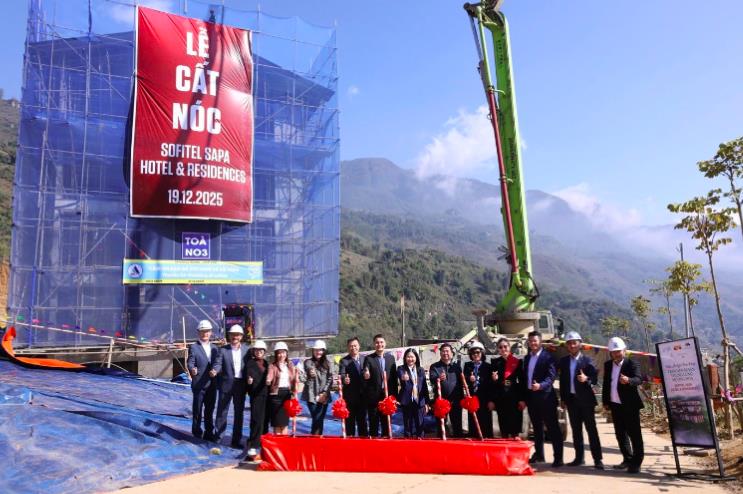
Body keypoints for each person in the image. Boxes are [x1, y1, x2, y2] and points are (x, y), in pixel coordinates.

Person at [558, 331, 604, 469]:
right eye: (569, 343)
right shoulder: (564, 361)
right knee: (576, 431)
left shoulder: (587, 360)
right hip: (571, 401)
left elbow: (594, 379)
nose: (572, 345)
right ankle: (579, 458)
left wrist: (586, 379)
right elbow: (563, 382)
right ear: (567, 346)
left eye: (574, 343)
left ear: (580, 344)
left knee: (591, 430)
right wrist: (563, 399)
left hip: (586, 401)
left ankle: (598, 460)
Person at [602, 336, 644, 474]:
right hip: (615, 405)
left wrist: (629, 380)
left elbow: (639, 379)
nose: (616, 354)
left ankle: (636, 462)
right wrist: (605, 401)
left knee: (634, 434)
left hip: (630, 405)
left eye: (618, 351)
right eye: (613, 352)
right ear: (610, 353)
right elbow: (606, 384)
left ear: (624, 350)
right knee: (620, 434)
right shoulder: (608, 365)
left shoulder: (632, 363)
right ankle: (627, 459)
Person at [523, 330, 564, 467]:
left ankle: (558, 457)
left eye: (535, 341)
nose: (533, 343)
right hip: (531, 398)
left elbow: (551, 377)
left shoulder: (548, 357)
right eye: (530, 341)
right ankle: (539, 455)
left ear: (540, 342)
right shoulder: (527, 358)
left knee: (552, 428)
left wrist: (540, 385)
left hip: (546, 398)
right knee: (536, 428)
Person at [214, 324, 249, 448]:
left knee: (239, 413)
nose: (235, 337)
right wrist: (215, 370)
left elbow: (250, 366)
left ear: (241, 336)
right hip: (226, 385)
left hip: (240, 385)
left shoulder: (247, 350)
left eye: (237, 335)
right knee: (222, 412)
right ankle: (218, 438)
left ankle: (236, 440)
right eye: (233, 335)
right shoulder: (223, 350)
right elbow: (218, 363)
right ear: (229, 336)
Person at [186, 319, 220, 441]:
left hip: (212, 384)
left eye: (207, 331)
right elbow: (190, 361)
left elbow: (218, 363)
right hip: (199, 384)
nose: (205, 333)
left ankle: (209, 432)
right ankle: (196, 432)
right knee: (198, 410)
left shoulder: (215, 348)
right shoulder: (194, 347)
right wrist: (192, 369)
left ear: (210, 332)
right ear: (198, 332)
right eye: (202, 331)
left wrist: (215, 370)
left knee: (210, 410)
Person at [362, 334, 398, 438]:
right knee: (373, 421)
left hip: (387, 397)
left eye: (381, 342)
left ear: (385, 343)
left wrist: (394, 396)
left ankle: (386, 440)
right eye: (377, 342)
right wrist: (366, 373)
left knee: (386, 421)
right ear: (374, 344)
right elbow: (365, 369)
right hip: (374, 397)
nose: (379, 344)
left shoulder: (390, 358)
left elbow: (394, 378)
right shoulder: (369, 358)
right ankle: (373, 440)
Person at [490, 337, 526, 438]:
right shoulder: (495, 362)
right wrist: (494, 379)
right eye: (500, 347)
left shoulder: (517, 362)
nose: (503, 349)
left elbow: (522, 382)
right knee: (504, 429)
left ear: (509, 347)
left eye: (505, 346)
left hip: (514, 398)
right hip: (501, 399)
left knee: (515, 429)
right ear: (498, 349)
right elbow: (492, 384)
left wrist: (522, 399)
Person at [429, 342, 464, 438]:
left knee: (457, 427)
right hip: (441, 402)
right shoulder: (434, 366)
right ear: (440, 353)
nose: (445, 353)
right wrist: (438, 378)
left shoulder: (457, 367)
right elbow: (432, 378)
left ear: (451, 353)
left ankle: (458, 443)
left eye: (447, 351)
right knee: (441, 427)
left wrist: (462, 399)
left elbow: (461, 383)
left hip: (455, 401)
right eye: (443, 351)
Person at [301, 340, 336, 435]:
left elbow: (330, 379)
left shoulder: (329, 363)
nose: (318, 352)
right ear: (313, 351)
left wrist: (324, 393)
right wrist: (310, 372)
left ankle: (317, 439)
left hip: (324, 396)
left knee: (320, 420)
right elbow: (307, 370)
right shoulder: (308, 362)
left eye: (320, 350)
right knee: (316, 418)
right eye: (316, 350)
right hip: (311, 396)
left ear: (324, 351)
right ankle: (315, 438)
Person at [266, 341, 298, 435]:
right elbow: (270, 375)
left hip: (287, 395)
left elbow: (294, 379)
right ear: (276, 354)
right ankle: (277, 440)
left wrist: (294, 391)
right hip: (276, 395)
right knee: (277, 422)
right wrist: (268, 380)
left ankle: (284, 441)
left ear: (286, 353)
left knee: (284, 423)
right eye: (279, 353)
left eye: (283, 352)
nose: (281, 355)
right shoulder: (272, 366)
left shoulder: (290, 365)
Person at [244, 339, 269, 461]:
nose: (259, 352)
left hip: (267, 396)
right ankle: (253, 445)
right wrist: (249, 382)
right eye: (257, 350)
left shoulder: (267, 364)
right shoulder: (250, 363)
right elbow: (247, 378)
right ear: (254, 351)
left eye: (261, 350)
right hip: (256, 396)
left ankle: (263, 444)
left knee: (265, 421)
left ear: (264, 352)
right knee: (256, 421)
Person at [338, 336, 368, 437]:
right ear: (348, 347)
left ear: (359, 346)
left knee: (362, 422)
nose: (353, 348)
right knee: (350, 422)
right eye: (351, 346)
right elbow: (342, 374)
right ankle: (350, 441)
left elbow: (368, 371)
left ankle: (364, 441)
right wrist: (344, 379)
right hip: (350, 397)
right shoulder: (344, 361)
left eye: (355, 345)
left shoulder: (365, 359)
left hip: (363, 396)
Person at [463, 341, 493, 438]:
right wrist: (469, 378)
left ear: (482, 353)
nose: (475, 354)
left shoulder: (488, 366)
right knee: (473, 421)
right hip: (472, 398)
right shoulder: (467, 365)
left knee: (485, 422)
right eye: (473, 353)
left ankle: (486, 441)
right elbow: (463, 379)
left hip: (484, 398)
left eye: (478, 352)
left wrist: (490, 400)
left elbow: (491, 385)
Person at [397, 348, 429, 438]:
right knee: (408, 426)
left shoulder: (420, 370)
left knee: (420, 425)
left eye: (412, 357)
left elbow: (424, 386)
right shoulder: (401, 368)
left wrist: (426, 402)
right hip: (407, 401)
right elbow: (401, 375)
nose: (410, 359)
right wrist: (403, 377)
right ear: (405, 358)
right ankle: (408, 442)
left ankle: (421, 440)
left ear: (416, 358)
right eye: (408, 357)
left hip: (419, 401)